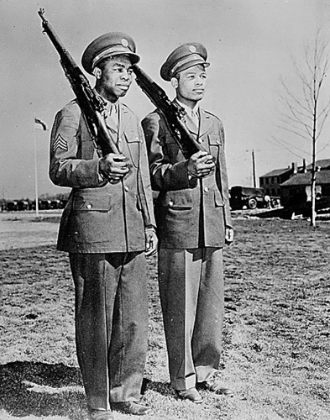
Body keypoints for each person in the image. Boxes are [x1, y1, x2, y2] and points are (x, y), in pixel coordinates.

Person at [49, 32, 157, 420]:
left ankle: (126, 391)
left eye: (130, 70)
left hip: (131, 228)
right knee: (96, 318)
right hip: (92, 230)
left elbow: (142, 175)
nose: (126, 77)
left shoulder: (130, 119)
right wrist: (98, 168)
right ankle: (97, 400)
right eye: (118, 69)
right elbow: (58, 168)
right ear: (97, 72)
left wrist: (149, 223)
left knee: (132, 316)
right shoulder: (73, 113)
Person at [141, 42, 233, 403]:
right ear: (174, 80)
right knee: (180, 305)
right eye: (191, 76)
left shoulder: (214, 123)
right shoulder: (156, 121)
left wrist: (225, 217)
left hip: (211, 220)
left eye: (203, 75)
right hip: (177, 224)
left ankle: (207, 371)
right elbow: (153, 174)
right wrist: (185, 170)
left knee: (210, 304)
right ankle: (183, 379)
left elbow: (222, 174)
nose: (199, 82)